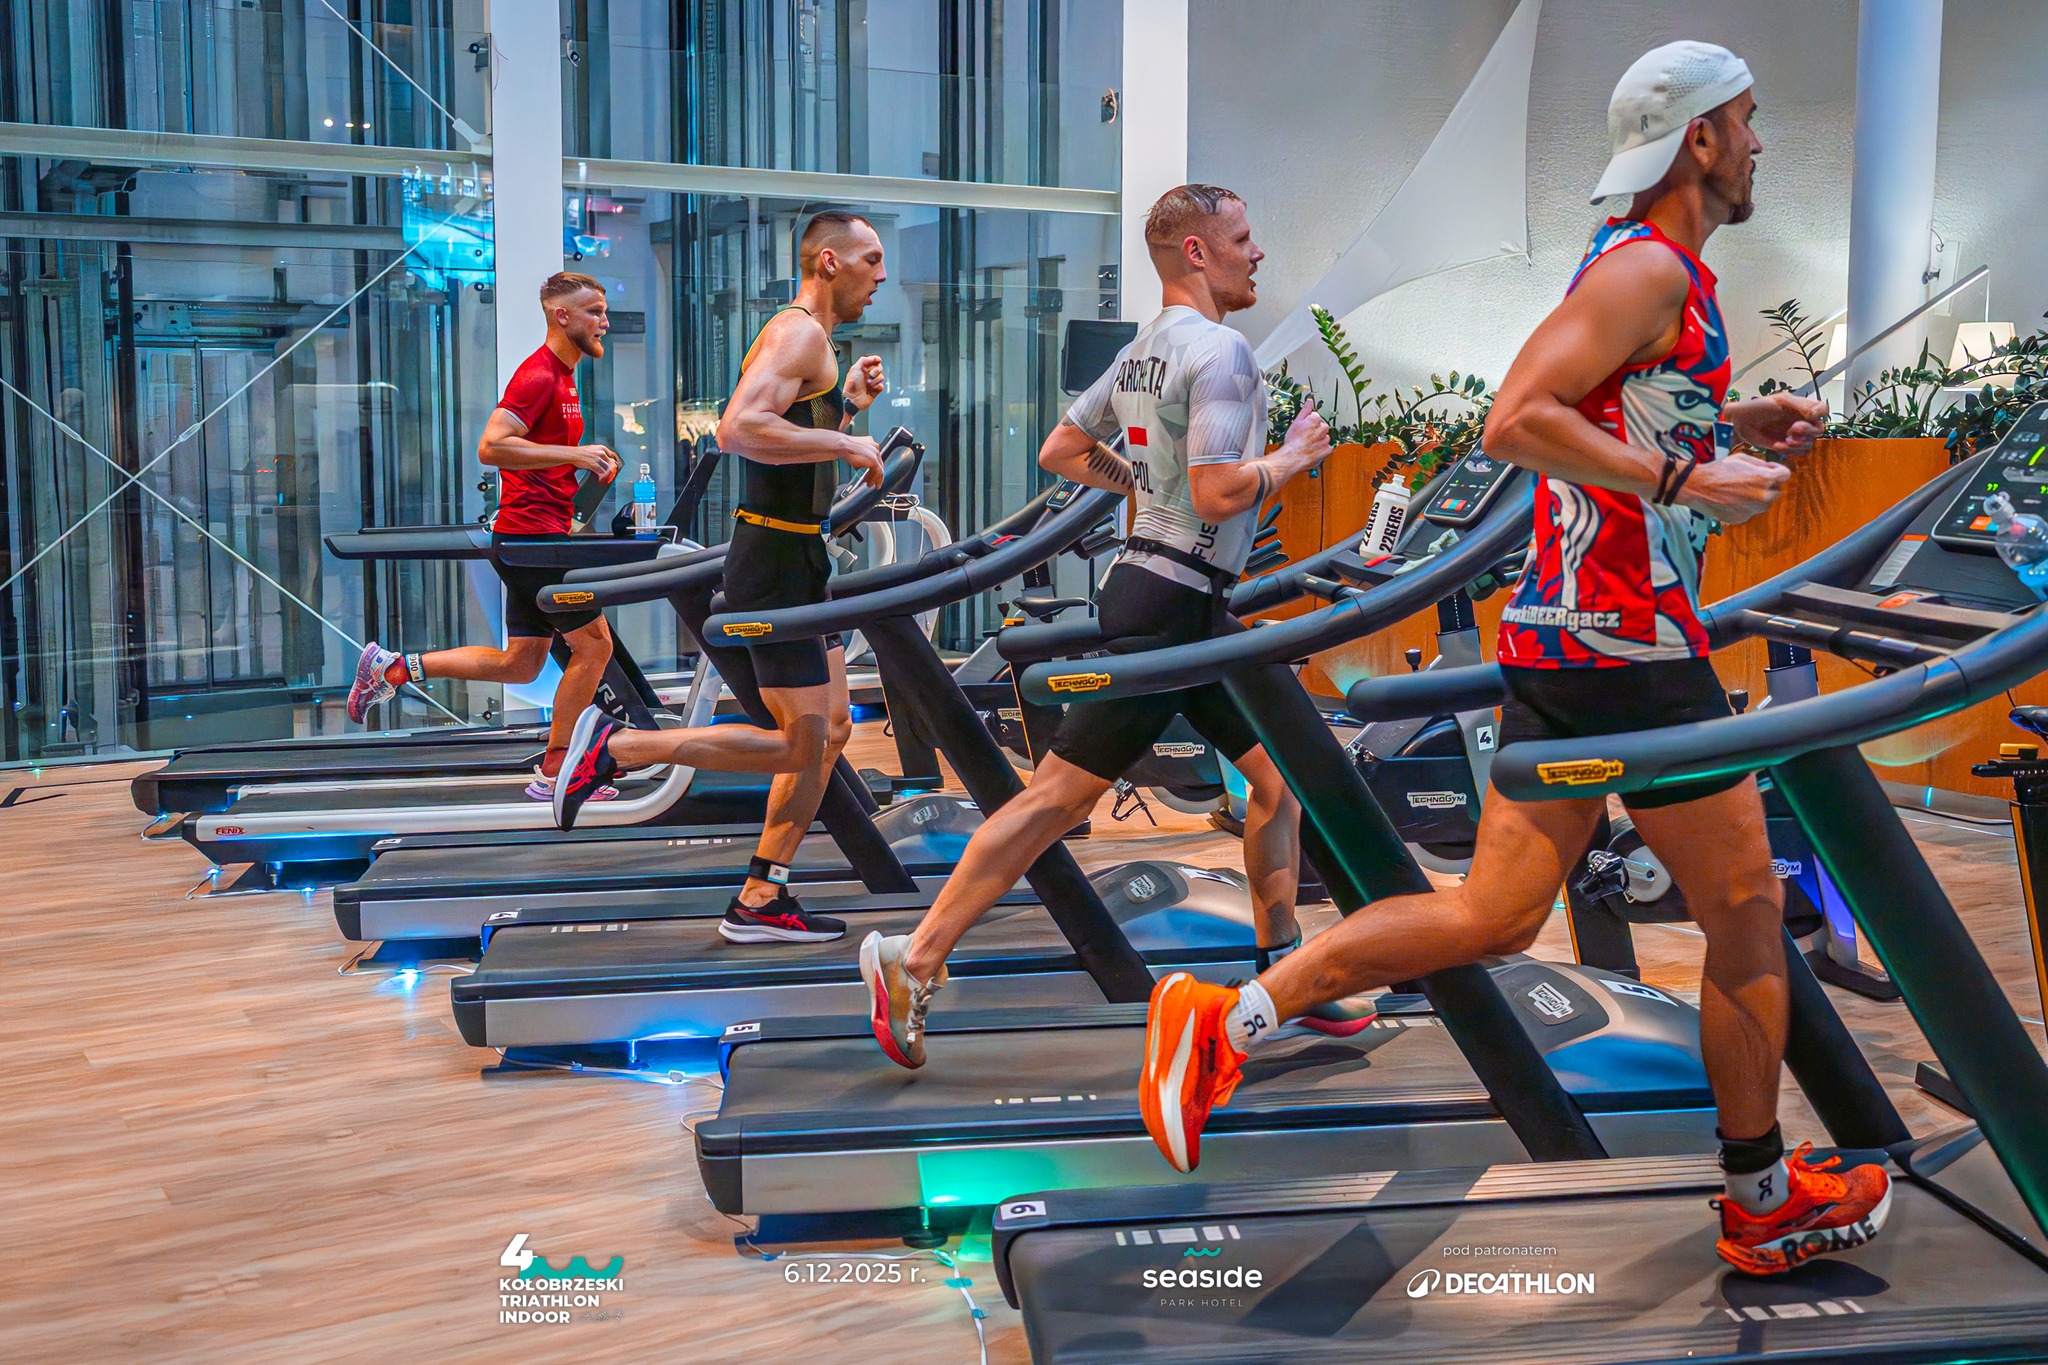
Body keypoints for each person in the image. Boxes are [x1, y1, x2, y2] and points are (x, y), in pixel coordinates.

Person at [1137, 43, 1891, 1279]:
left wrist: (1725, 422)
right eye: (1748, 121)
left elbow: (1604, 407)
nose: (1760, 143)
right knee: (1747, 909)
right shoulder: (1648, 266)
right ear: (1699, 138)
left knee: (1490, 917)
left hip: (1573, 632)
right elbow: (1516, 418)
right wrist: (1685, 477)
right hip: (1627, 635)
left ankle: (1231, 1015)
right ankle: (1759, 1197)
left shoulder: (1658, 273)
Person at [857, 184, 1338, 1070]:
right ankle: (913, 956)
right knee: (1056, 799)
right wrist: (1291, 458)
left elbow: (1063, 451)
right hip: (1175, 605)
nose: (1257, 252)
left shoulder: (1142, 351)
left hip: (1171, 595)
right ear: (1197, 252)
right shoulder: (1221, 349)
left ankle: (1285, 972)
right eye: (1242, 237)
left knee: (1282, 779)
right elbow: (1218, 493)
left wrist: (1143, 486)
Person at [550, 211, 890, 944]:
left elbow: (786, 437)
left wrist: (845, 407)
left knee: (830, 729)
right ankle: (617, 747)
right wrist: (846, 442)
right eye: (871, 259)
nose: (882, 274)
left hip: (800, 557)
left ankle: (763, 896)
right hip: (776, 562)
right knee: (800, 744)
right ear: (830, 262)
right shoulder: (799, 332)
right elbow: (738, 428)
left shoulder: (815, 340)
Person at [346, 272, 623, 801]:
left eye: (604, 311)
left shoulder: (566, 377)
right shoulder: (538, 375)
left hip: (538, 533)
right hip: (531, 540)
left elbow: (536, 456)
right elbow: (492, 446)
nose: (604, 322)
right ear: (562, 315)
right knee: (594, 646)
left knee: (523, 662)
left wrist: (584, 469)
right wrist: (575, 455)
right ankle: (558, 771)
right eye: (594, 311)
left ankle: (394, 668)